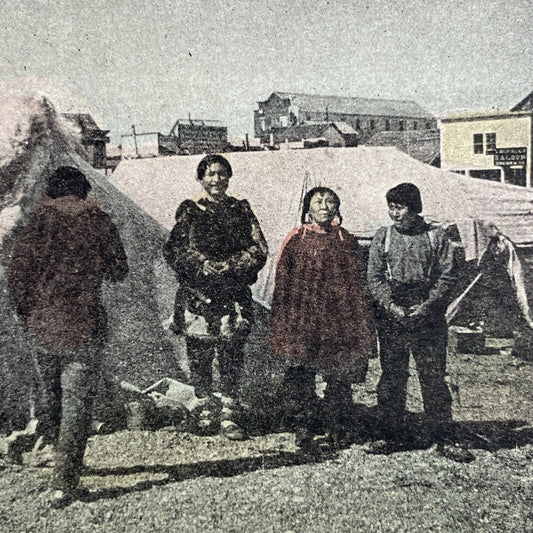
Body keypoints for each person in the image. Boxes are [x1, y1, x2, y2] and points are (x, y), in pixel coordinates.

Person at [8, 166, 129, 506]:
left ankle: (59, 459)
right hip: (84, 323)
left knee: (53, 398)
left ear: (50, 191)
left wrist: (28, 313)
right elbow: (120, 270)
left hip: (42, 326)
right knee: (77, 403)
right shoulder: (98, 218)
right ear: (84, 190)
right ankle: (65, 480)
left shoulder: (37, 220)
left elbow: (19, 274)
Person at [366, 182, 474, 462]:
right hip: (393, 311)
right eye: (391, 207)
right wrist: (391, 305)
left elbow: (448, 275)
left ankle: (443, 437)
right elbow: (374, 278)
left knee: (433, 375)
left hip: (428, 310)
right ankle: (391, 435)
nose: (395, 214)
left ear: (414, 209)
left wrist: (426, 307)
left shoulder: (435, 237)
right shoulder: (383, 236)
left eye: (400, 207)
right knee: (392, 375)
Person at [163, 154, 267, 441]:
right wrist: (200, 263)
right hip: (199, 296)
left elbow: (259, 249)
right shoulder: (190, 211)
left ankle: (229, 414)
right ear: (201, 179)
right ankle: (206, 409)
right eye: (210, 174)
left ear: (229, 177)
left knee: (231, 354)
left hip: (232, 295)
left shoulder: (241, 210)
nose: (217, 179)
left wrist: (233, 264)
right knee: (199, 356)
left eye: (222, 173)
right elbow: (173, 249)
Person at [270, 186, 375, 451]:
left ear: (337, 209)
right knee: (301, 373)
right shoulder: (296, 238)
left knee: (338, 373)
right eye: (318, 201)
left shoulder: (346, 239)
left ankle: (337, 425)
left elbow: (357, 281)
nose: (324, 206)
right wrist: (284, 316)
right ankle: (303, 427)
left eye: (330, 201)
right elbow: (282, 278)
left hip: (337, 319)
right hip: (302, 316)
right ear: (308, 209)